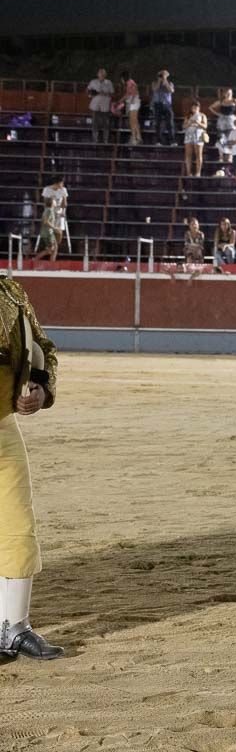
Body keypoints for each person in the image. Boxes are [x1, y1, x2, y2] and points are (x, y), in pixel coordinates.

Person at [0, 274, 65, 661]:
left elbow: (42, 347)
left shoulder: (9, 289)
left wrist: (41, 387)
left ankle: (13, 626)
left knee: (18, 523)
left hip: (2, 426)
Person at [33, 175, 67, 263]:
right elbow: (46, 204)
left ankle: (51, 257)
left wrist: (63, 198)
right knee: (53, 245)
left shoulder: (63, 190)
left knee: (57, 241)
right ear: (58, 183)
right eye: (61, 183)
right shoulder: (47, 190)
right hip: (51, 215)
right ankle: (50, 261)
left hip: (59, 215)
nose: (62, 184)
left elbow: (65, 204)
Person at [209, 88, 236, 164]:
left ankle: (230, 156)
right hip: (222, 120)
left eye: (229, 93)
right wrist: (218, 114)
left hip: (231, 120)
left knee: (231, 138)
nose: (228, 94)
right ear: (224, 94)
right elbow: (211, 107)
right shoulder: (221, 101)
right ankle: (220, 157)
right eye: (227, 93)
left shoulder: (234, 101)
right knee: (221, 138)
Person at [87, 68, 115, 143]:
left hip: (105, 105)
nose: (102, 75)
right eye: (100, 74)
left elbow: (112, 93)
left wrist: (104, 93)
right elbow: (88, 91)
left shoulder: (109, 82)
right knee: (95, 122)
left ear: (105, 75)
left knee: (106, 123)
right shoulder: (93, 82)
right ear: (97, 74)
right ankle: (95, 139)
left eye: (103, 74)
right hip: (95, 105)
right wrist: (92, 94)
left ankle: (105, 139)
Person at [182, 102, 208, 178]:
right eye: (193, 107)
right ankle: (188, 172)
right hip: (189, 135)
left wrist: (198, 123)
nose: (195, 109)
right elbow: (184, 126)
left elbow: (205, 126)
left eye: (196, 107)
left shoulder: (202, 115)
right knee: (188, 154)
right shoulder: (188, 116)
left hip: (198, 135)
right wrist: (189, 123)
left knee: (198, 154)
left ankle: (198, 172)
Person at [150, 70, 175, 145]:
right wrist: (159, 81)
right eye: (160, 75)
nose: (161, 77)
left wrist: (165, 81)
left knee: (170, 123)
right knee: (157, 123)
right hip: (157, 105)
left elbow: (171, 90)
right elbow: (155, 89)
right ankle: (158, 141)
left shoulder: (170, 83)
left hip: (167, 105)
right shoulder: (154, 83)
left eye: (163, 75)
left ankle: (172, 141)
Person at [116, 71, 142, 145]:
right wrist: (120, 101)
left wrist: (132, 101)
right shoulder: (129, 83)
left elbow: (134, 92)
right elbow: (127, 95)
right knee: (134, 121)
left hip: (133, 103)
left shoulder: (130, 82)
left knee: (132, 121)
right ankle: (138, 137)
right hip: (133, 102)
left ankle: (134, 138)